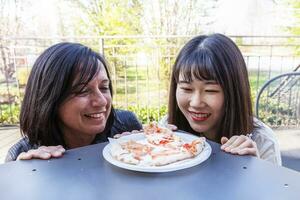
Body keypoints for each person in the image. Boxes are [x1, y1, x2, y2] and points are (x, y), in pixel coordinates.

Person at [5, 42, 142, 162]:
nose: (101, 101)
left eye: (104, 87)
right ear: (50, 99)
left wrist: (147, 154)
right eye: (83, 90)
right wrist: (25, 178)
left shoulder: (126, 125)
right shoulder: (22, 155)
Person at [165, 33, 281, 165]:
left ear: (233, 92)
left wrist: (254, 170)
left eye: (210, 90)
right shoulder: (168, 129)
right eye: (186, 89)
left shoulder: (262, 141)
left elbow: (272, 186)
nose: (196, 102)